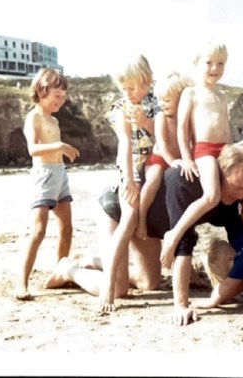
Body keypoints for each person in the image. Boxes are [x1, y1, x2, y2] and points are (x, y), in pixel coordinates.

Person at [51, 144, 243, 321]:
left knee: (149, 283)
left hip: (148, 228)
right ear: (219, 172)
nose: (242, 195)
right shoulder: (186, 181)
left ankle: (93, 260)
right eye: (239, 187)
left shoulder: (232, 195)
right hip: (120, 210)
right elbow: (182, 242)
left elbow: (239, 234)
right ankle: (68, 269)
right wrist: (181, 305)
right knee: (118, 289)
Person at [160, 40, 233, 269]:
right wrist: (187, 158)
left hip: (225, 149)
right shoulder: (191, 93)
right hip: (205, 149)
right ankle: (175, 234)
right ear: (196, 63)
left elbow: (227, 127)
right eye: (209, 63)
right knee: (211, 195)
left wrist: (234, 153)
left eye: (220, 63)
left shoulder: (221, 96)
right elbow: (183, 128)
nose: (215, 68)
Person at [98, 53, 159, 311]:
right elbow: (125, 145)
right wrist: (128, 180)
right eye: (124, 88)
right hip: (132, 169)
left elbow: (166, 138)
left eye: (132, 87)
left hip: (154, 170)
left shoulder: (158, 104)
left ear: (146, 81)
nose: (128, 93)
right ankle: (104, 283)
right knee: (130, 215)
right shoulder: (121, 107)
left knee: (151, 283)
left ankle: (97, 261)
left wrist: (146, 122)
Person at [14, 68, 80, 301]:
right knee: (39, 231)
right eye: (57, 96)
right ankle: (21, 283)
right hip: (43, 176)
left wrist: (61, 151)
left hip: (59, 174)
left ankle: (59, 274)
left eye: (64, 96)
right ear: (42, 91)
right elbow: (32, 149)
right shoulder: (35, 117)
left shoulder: (54, 119)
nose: (61, 101)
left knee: (67, 229)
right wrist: (61, 146)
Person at [135, 72, 194, 240]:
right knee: (153, 180)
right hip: (160, 160)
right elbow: (162, 145)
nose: (162, 104)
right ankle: (141, 218)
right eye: (160, 100)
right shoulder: (161, 117)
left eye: (167, 100)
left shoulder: (187, 119)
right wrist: (172, 161)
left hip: (178, 160)